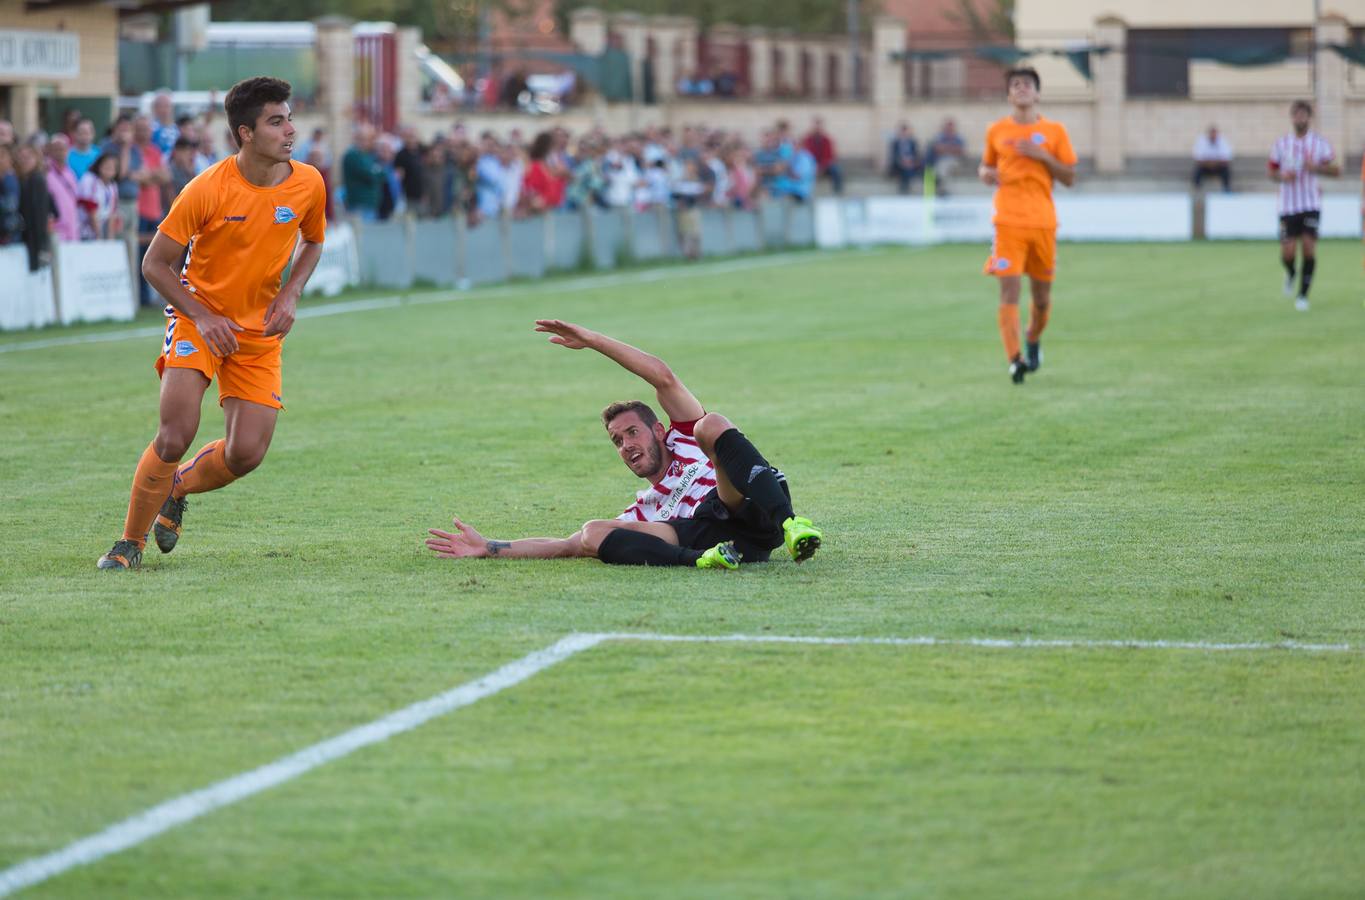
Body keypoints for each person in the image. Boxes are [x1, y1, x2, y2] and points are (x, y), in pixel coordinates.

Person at [96, 76, 327, 571]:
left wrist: (291, 291)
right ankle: (128, 544)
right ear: (245, 133)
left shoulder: (309, 182)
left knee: (247, 454)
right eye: (276, 120)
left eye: (289, 117)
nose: (290, 129)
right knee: (175, 433)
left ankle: (176, 486)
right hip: (197, 319)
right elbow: (155, 264)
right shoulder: (207, 188)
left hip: (258, 333)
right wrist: (202, 314)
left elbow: (313, 240)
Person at [424, 320, 823, 569]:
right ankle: (704, 561)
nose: (626, 445)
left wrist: (594, 341)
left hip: (752, 506)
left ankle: (792, 524)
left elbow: (662, 376)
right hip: (717, 540)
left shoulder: (684, 437)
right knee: (593, 532)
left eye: (632, 432)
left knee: (712, 424)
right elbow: (567, 546)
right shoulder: (645, 507)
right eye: (617, 440)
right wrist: (491, 548)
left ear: (659, 431)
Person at [979, 67, 1077, 384]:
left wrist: (1043, 157)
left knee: (1042, 298)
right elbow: (987, 166)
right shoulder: (996, 131)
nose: (1021, 89)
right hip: (1007, 222)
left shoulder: (1054, 132)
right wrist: (984, 174)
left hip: (1043, 223)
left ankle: (1032, 337)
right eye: (1015, 85)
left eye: (1027, 85)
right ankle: (1015, 360)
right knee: (1009, 291)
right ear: (1009, 95)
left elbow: (1070, 178)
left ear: (1037, 94)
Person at [1269, 100, 1338, 312]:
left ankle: (1303, 295)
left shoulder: (1319, 144)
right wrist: (1282, 176)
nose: (1300, 118)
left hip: (1310, 204)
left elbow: (1336, 170)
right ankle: (1290, 272)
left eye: (1303, 115)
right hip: (1288, 207)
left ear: (1309, 118)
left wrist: (1315, 167)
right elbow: (1271, 172)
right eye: (1296, 115)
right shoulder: (1281, 144)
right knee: (1288, 252)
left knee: (1308, 247)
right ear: (1292, 118)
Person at [44, 134, 81, 243]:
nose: (60, 152)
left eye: (63, 148)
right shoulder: (45, 171)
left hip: (72, 228)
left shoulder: (70, 173)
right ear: (50, 151)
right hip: (55, 230)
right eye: (56, 149)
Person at [801, 117, 843, 195]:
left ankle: (837, 191)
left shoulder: (827, 140)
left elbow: (830, 156)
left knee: (836, 170)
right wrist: (814, 166)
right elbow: (805, 155)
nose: (817, 128)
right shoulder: (807, 139)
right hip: (810, 165)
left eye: (819, 126)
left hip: (824, 166)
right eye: (816, 126)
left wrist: (822, 167)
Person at [927, 119, 967, 195]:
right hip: (940, 160)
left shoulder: (958, 137)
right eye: (948, 127)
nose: (949, 129)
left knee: (943, 166)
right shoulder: (940, 137)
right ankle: (941, 188)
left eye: (951, 127)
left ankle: (941, 187)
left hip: (954, 161)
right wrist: (952, 148)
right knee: (942, 166)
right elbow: (937, 149)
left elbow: (961, 151)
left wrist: (946, 148)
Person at [1193, 125, 1233, 192]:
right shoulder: (1202, 141)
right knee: (1198, 171)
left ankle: (1226, 188)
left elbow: (1227, 157)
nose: (1213, 136)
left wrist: (1215, 163)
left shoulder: (1223, 141)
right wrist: (1209, 163)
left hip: (1218, 167)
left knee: (1226, 170)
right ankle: (1197, 189)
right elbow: (1198, 158)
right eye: (1211, 134)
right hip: (1205, 167)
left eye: (1214, 134)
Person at [888, 124, 922, 194]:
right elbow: (893, 156)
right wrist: (903, 161)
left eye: (906, 131)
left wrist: (911, 160)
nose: (904, 133)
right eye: (903, 132)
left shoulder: (913, 142)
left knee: (911, 167)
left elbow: (916, 154)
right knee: (905, 167)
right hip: (899, 163)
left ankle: (905, 185)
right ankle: (905, 185)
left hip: (911, 162)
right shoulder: (895, 143)